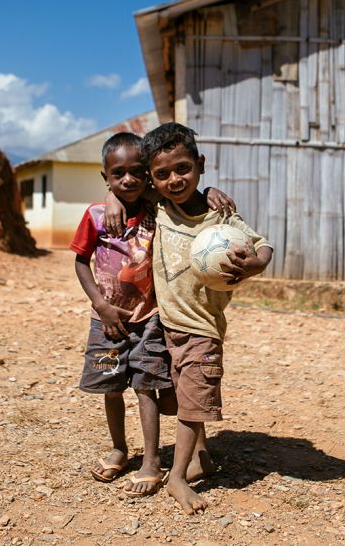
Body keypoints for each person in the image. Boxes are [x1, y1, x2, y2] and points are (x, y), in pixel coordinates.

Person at [119, 122, 273, 514]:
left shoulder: (220, 219)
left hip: (202, 328)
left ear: (200, 164)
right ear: (153, 178)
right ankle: (200, 453)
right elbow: (126, 188)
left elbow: (262, 245)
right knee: (179, 399)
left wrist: (253, 265)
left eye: (184, 169)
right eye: (163, 174)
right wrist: (109, 196)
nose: (174, 180)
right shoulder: (159, 207)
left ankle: (177, 478)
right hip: (163, 324)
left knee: (191, 405)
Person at [71, 132, 236, 496]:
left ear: (147, 176)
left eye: (136, 173)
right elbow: (80, 261)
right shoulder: (97, 214)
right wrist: (100, 304)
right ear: (106, 178)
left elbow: (188, 195)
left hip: (150, 318)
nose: (128, 180)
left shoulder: (157, 208)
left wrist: (209, 192)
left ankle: (150, 461)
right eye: (118, 175)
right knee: (110, 388)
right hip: (107, 320)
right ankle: (119, 448)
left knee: (148, 387)